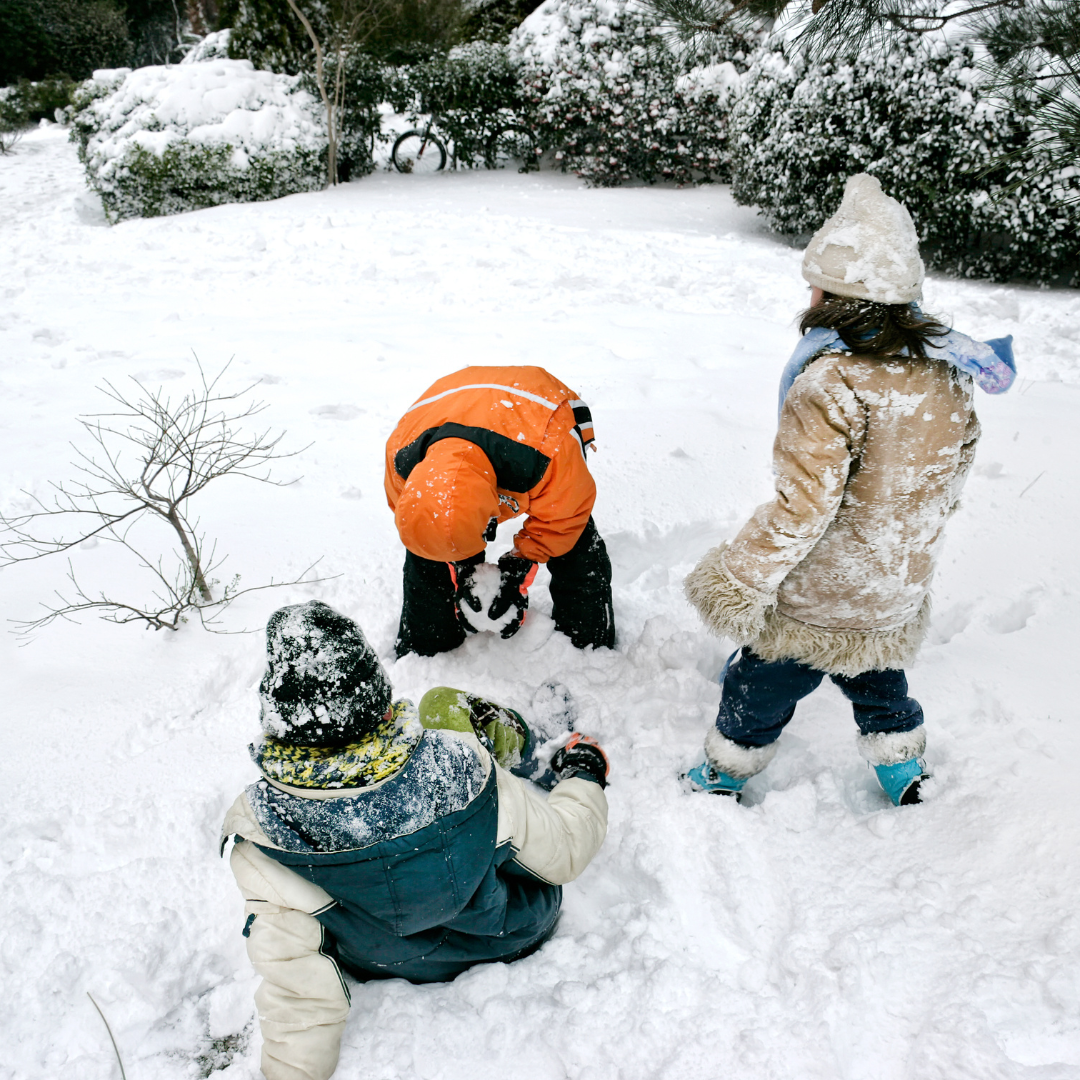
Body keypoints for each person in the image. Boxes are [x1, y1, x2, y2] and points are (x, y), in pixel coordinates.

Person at [683, 174, 1015, 806]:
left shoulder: (829, 381)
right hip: (895, 579)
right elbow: (952, 470)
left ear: (837, 295)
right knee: (879, 678)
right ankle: (903, 769)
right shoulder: (946, 373)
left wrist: (738, 577)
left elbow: (801, 508)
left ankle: (723, 773)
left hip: (820, 592)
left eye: (817, 282)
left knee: (761, 680)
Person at [221, 600, 609, 1080]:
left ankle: (525, 746)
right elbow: (567, 851)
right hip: (511, 934)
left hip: (385, 962)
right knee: (441, 705)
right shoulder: (458, 767)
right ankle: (532, 748)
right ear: (378, 702)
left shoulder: (267, 829)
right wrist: (585, 777)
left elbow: (300, 996)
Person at [384, 365, 615, 657]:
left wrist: (520, 566)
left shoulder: (550, 454)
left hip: (537, 410)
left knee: (572, 537)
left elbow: (564, 520)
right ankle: (426, 646)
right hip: (447, 407)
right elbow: (429, 528)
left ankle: (589, 644)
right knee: (431, 540)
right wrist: (461, 568)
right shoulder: (400, 465)